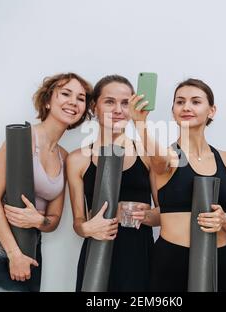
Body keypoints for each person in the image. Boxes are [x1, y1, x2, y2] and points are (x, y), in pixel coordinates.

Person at [0, 73, 93, 292]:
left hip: (31, 246)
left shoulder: (64, 157)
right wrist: (13, 254)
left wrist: (39, 220)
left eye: (81, 98)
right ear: (48, 100)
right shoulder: (22, 139)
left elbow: (53, 221)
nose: (73, 102)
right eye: (65, 94)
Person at [129, 78, 226, 292]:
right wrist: (140, 124)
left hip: (219, 262)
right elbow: (158, 162)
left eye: (195, 101)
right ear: (173, 111)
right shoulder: (168, 155)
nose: (186, 107)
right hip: (172, 262)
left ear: (211, 110)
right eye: (180, 102)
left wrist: (224, 220)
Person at [67, 75, 160, 292]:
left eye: (125, 103)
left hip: (140, 255)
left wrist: (145, 215)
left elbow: (164, 213)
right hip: (97, 256)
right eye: (109, 102)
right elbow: (78, 222)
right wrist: (86, 228)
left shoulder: (146, 153)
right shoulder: (77, 159)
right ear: (94, 107)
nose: (118, 109)